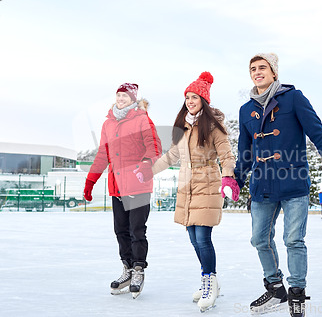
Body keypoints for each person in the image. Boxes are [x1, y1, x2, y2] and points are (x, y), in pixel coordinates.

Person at [230, 53, 322, 316]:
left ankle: (296, 293)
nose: (257, 72)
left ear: (274, 72)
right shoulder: (245, 110)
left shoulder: (294, 99)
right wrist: (236, 179)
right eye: (253, 69)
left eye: (263, 67)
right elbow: (245, 151)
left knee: (294, 239)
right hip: (262, 184)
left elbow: (317, 132)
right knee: (259, 239)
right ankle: (275, 289)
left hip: (293, 181)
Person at [151, 72, 239, 312]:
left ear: (204, 100)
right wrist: (149, 171)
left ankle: (209, 283)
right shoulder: (183, 125)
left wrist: (229, 177)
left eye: (195, 97)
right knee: (192, 238)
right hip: (187, 184)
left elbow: (226, 154)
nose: (190, 101)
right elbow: (172, 155)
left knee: (203, 238)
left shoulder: (212, 126)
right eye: (187, 97)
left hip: (208, 182)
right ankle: (211, 279)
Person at [83, 83, 162, 299]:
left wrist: (145, 166)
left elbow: (154, 146)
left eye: (125, 96)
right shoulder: (108, 123)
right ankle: (126, 268)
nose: (120, 98)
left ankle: (138, 270)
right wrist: (91, 180)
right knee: (121, 230)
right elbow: (102, 154)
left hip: (138, 183)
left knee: (137, 230)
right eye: (118, 95)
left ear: (133, 98)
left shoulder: (142, 119)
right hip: (116, 186)